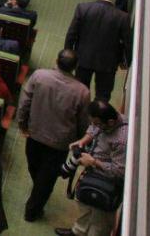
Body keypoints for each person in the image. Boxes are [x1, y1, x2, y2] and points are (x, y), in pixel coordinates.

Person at [17, 49, 91, 222]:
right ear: (75, 67)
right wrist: (80, 140)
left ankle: (32, 210)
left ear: (56, 60)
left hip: (35, 134)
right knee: (46, 177)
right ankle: (38, 197)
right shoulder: (82, 92)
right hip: (60, 143)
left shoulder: (39, 76)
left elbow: (24, 102)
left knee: (34, 166)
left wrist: (22, 124)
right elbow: (83, 120)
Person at [53, 99, 127, 236]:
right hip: (92, 175)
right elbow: (94, 128)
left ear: (110, 123)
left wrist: (94, 162)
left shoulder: (122, 140)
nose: (94, 126)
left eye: (97, 124)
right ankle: (78, 232)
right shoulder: (107, 118)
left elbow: (119, 170)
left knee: (100, 220)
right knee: (85, 205)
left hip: (106, 183)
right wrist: (83, 140)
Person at [64, 0, 130, 101]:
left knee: (80, 94)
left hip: (83, 58)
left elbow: (71, 34)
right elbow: (127, 43)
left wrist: (68, 55)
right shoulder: (122, 17)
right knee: (102, 97)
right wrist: (125, 62)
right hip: (108, 64)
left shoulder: (83, 8)